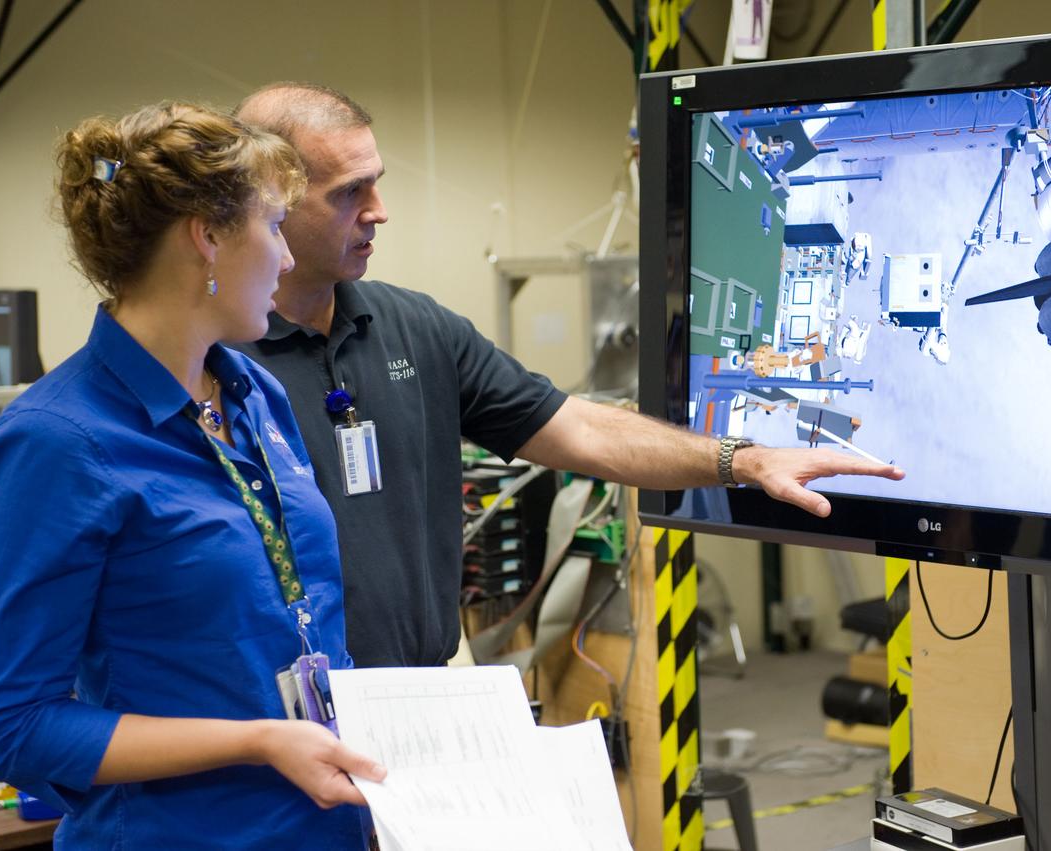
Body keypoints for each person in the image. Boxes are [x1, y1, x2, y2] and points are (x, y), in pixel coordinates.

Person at [231, 83, 904, 669]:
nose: (379, 209)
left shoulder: (416, 330)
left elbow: (580, 430)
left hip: (420, 696)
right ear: (273, 201)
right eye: (351, 192)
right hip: (287, 720)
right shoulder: (221, 359)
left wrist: (744, 459)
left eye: (377, 181)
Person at [0, 102, 385, 849]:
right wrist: (255, 741)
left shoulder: (255, 395)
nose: (287, 259)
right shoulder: (58, 442)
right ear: (209, 236)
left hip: (324, 827)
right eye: (275, 227)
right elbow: (15, 725)